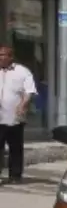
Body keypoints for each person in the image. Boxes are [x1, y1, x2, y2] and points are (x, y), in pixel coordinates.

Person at [0, 45, 37, 185]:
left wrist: (23, 105)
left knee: (15, 147)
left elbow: (29, 91)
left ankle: (15, 175)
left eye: (4, 55)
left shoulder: (22, 72)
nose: (1, 57)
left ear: (11, 57)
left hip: (15, 116)